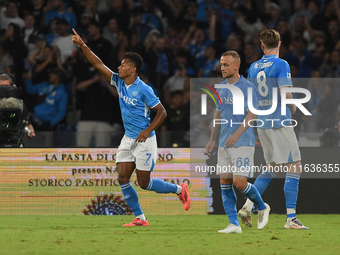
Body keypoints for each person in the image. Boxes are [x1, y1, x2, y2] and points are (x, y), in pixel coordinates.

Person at [71, 29, 191, 226]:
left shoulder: (144, 89)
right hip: (128, 138)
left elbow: (162, 112)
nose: (119, 67)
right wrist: (83, 45)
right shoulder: (118, 82)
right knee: (122, 177)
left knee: (144, 184)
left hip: (145, 140)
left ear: (133, 69)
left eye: (123, 65)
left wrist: (147, 130)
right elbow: (98, 64)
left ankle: (180, 190)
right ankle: (140, 218)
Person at [240, 29, 309, 230]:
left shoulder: (252, 67)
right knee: (295, 166)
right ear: (280, 44)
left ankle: (247, 205)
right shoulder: (282, 64)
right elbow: (285, 91)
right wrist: (293, 106)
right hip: (279, 122)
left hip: (262, 124)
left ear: (261, 46)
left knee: (272, 167)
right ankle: (291, 219)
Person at [205, 51, 270, 234]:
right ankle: (234, 224)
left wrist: (236, 133)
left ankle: (262, 206)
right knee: (224, 182)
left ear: (236, 66)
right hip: (225, 143)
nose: (222, 68)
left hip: (242, 141)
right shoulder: (221, 87)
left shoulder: (247, 87)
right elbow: (218, 114)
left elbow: (253, 114)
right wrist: (212, 140)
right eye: (221, 64)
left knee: (239, 183)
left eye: (226, 65)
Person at [0, 73, 35, 146]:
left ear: (13, 87)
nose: (4, 89)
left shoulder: (19, 105)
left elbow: (28, 125)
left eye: (6, 86)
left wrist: (30, 132)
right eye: (1, 86)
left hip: (15, 140)